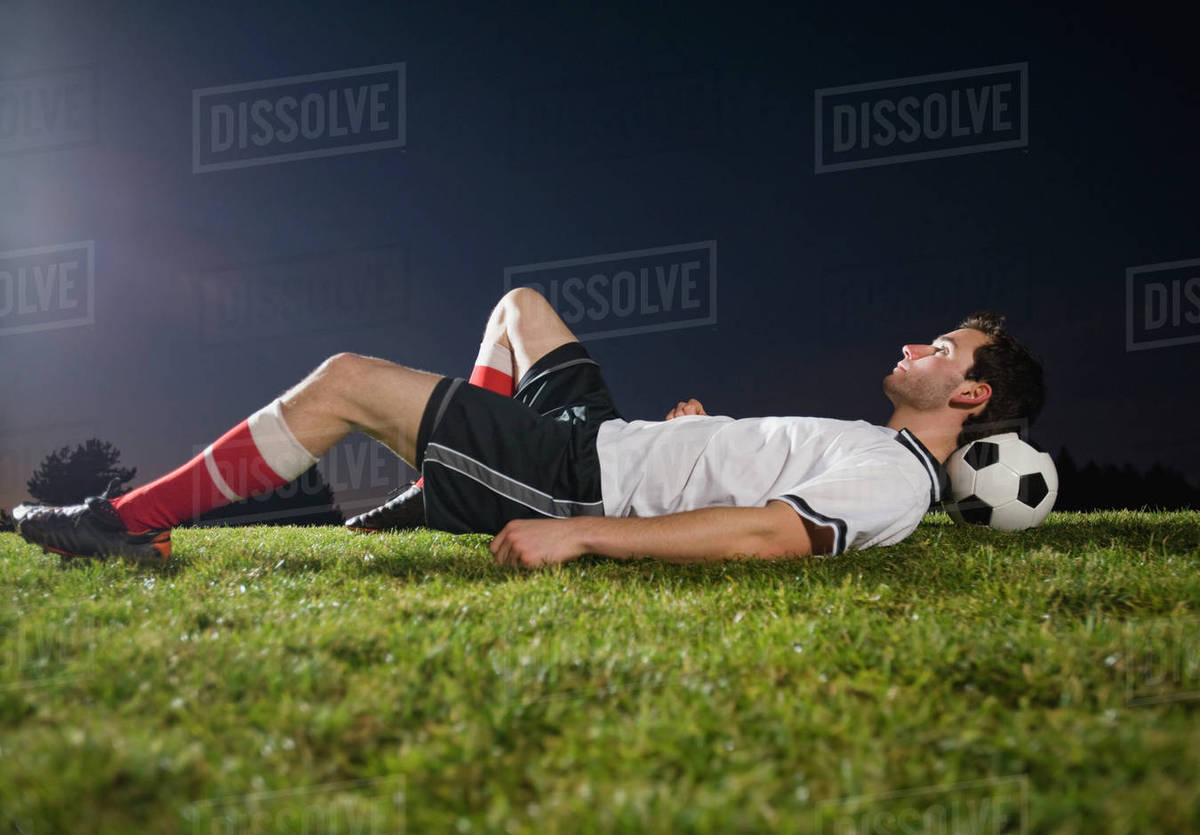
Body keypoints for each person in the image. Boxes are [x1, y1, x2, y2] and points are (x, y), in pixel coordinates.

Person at [11, 289, 1045, 568]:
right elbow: (752, 477)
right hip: (615, 436)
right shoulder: (874, 444)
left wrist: (580, 530)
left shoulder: (900, 482)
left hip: (571, 476)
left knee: (342, 382)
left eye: (943, 350)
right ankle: (437, 493)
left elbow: (770, 533)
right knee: (523, 306)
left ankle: (127, 524)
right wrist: (699, 434)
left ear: (969, 399)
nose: (921, 346)